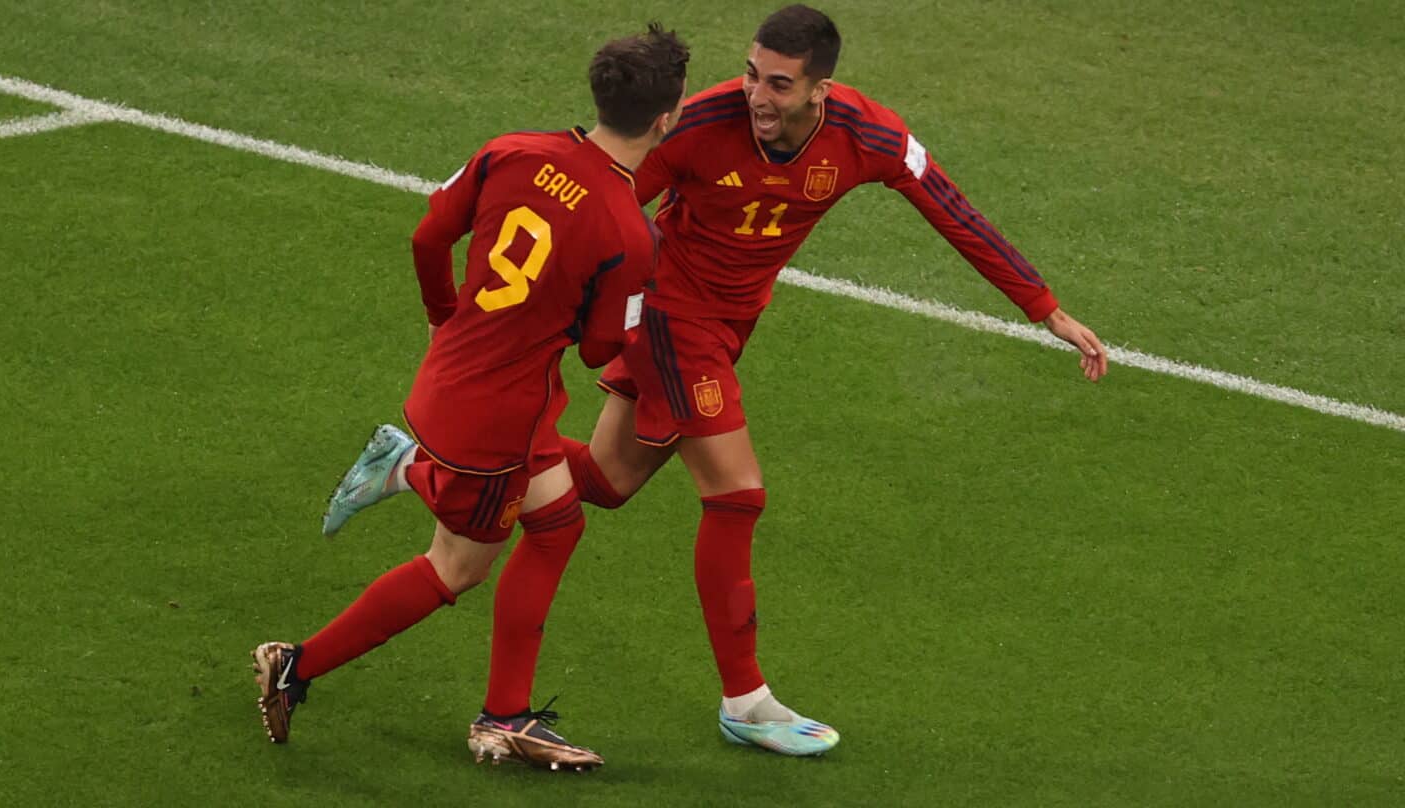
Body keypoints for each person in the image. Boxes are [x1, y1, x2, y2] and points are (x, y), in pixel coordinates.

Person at [490, 4, 1110, 758]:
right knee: (737, 494)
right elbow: (608, 210)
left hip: (727, 326)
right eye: (753, 73)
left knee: (607, 481)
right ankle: (746, 701)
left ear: (822, 87)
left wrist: (1045, 309)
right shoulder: (696, 124)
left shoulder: (867, 135)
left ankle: (437, 463)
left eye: (779, 84)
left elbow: (951, 209)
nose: (757, 95)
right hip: (668, 314)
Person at [250, 24, 690, 772]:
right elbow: (596, 351)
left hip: (449, 378)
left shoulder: (511, 150)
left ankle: (506, 713)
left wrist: (439, 317)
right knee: (455, 566)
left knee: (556, 526)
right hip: (495, 430)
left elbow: (429, 238)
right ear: (665, 119)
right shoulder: (628, 231)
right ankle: (297, 664)